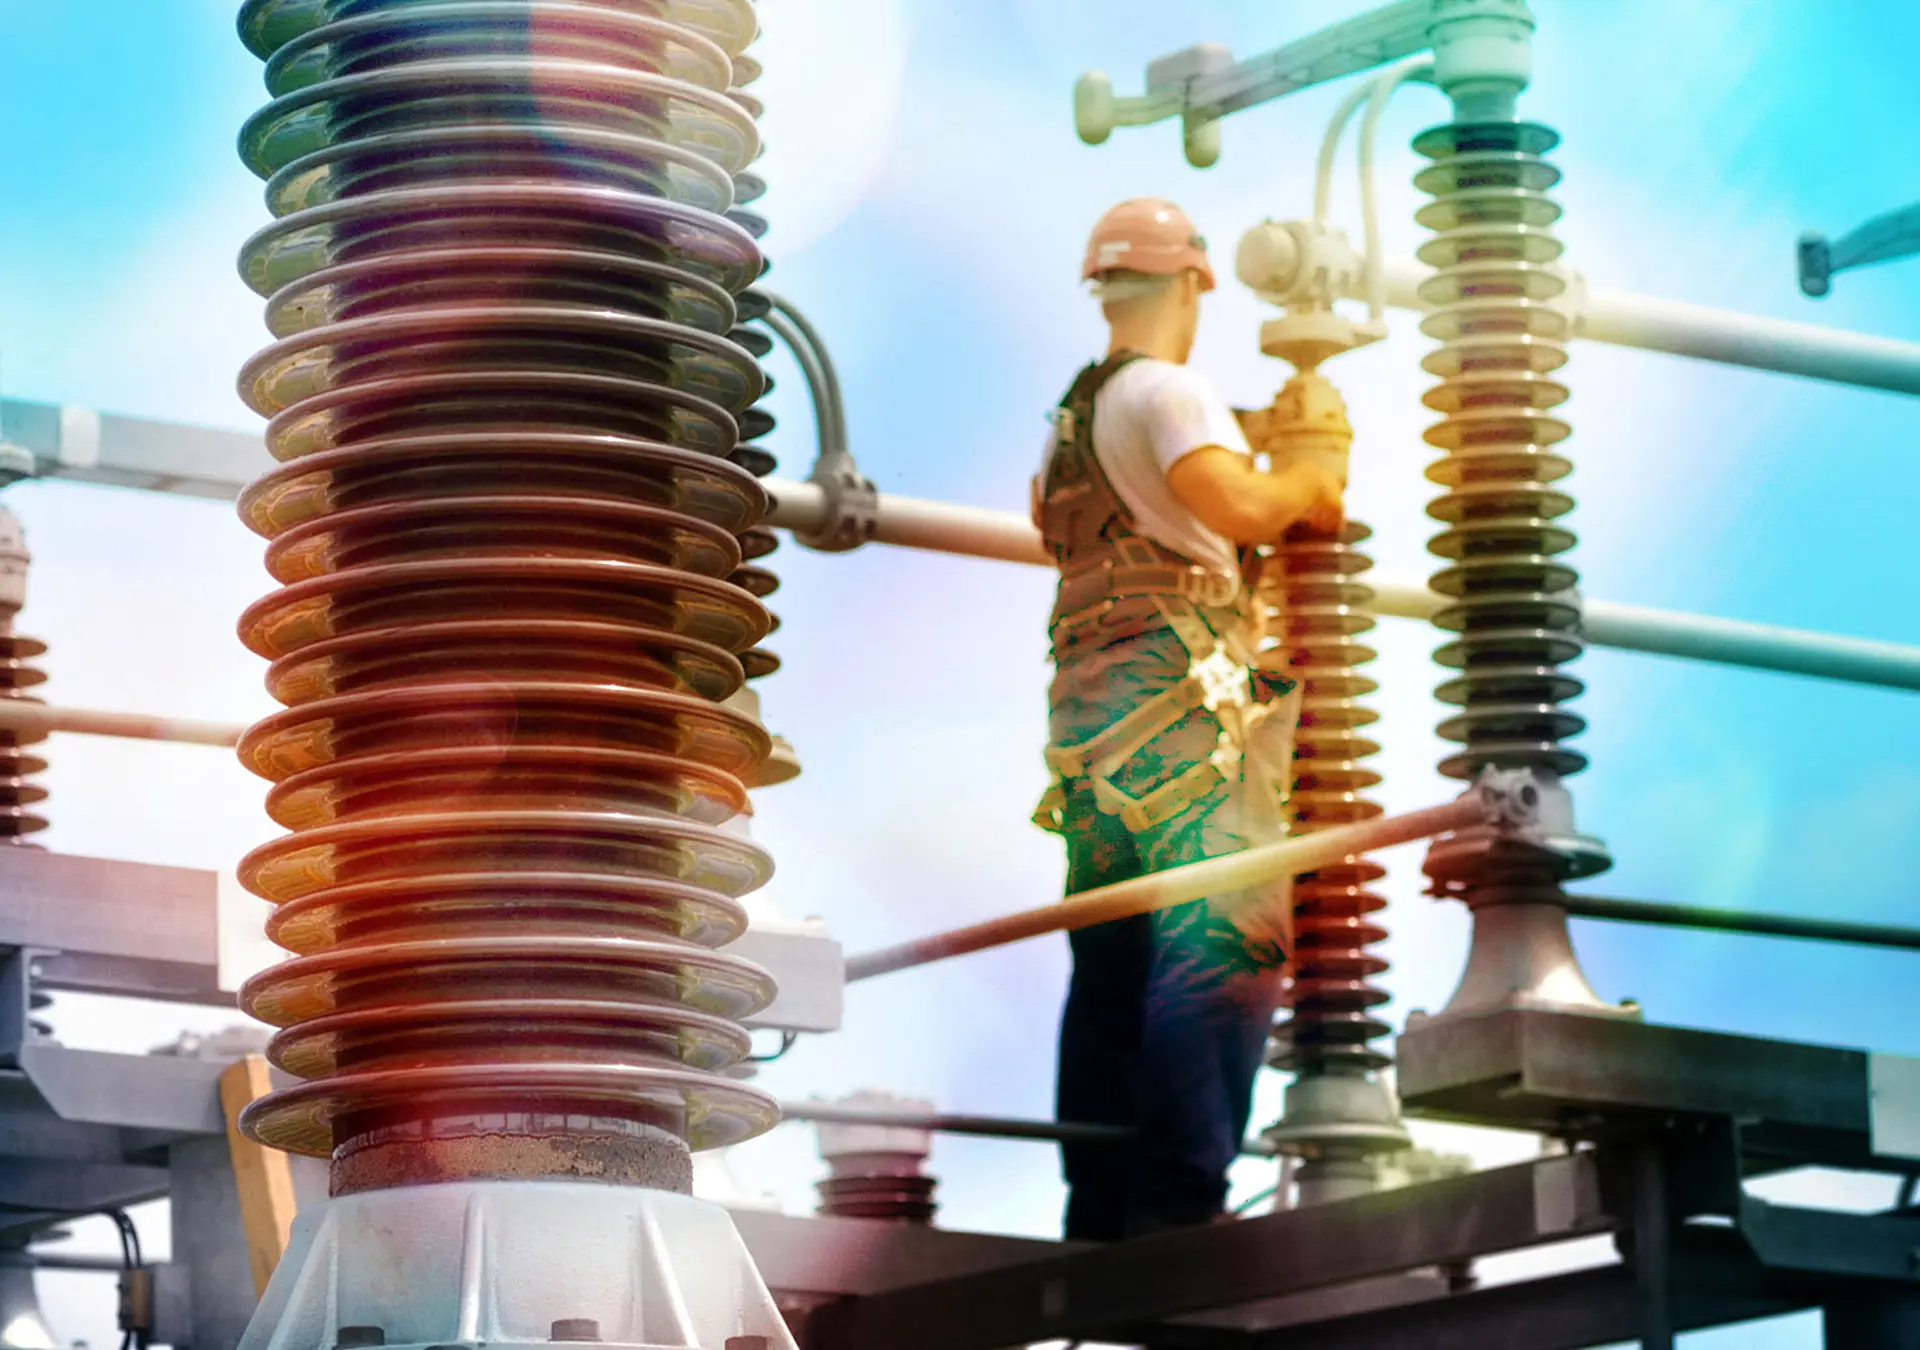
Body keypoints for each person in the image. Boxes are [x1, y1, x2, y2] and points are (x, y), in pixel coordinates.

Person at [1030, 198, 1346, 1241]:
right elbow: (1238, 508)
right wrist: (1306, 473)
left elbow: (1067, 522)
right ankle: (1182, 1208)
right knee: (1218, 936)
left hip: (1095, 734)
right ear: (1194, 283)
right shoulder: (1170, 391)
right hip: (1184, 722)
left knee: (1112, 956)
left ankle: (1102, 1208)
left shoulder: (1075, 416)